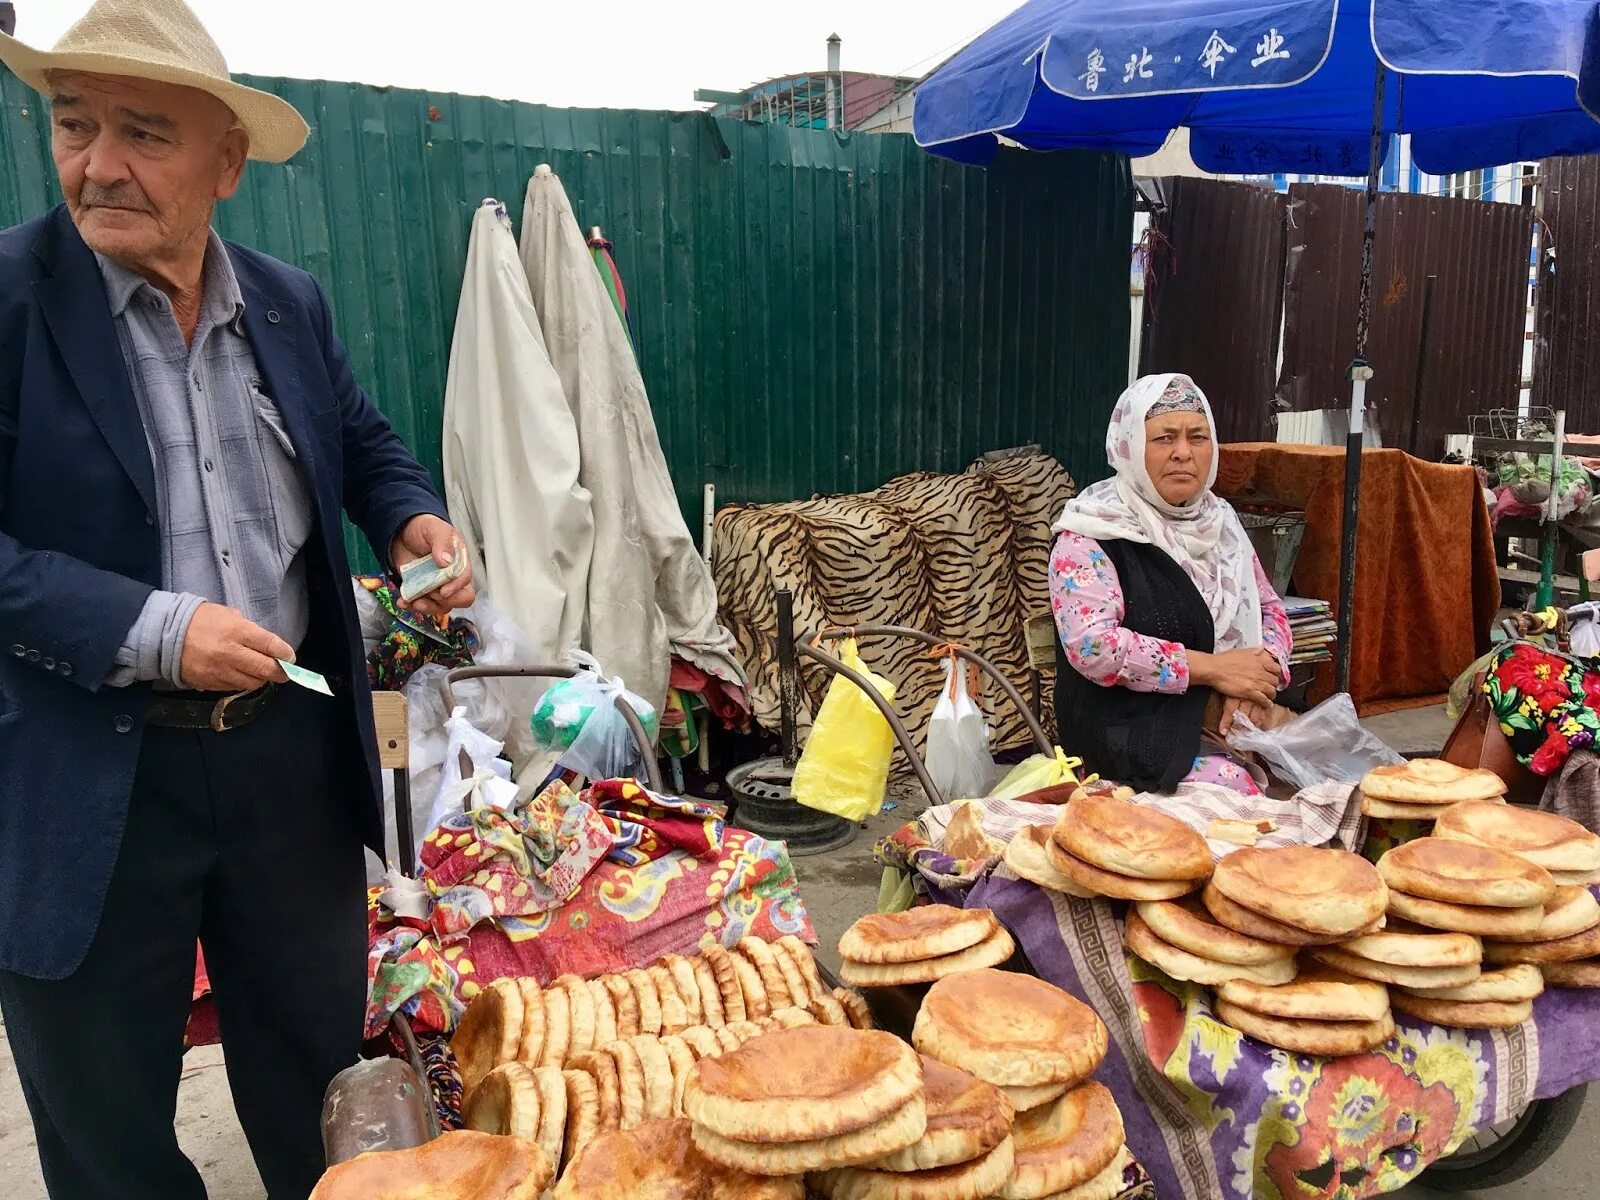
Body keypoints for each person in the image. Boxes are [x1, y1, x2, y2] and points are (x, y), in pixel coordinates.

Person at [0, 2, 476, 1196]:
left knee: (313, 1072)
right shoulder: (6, 302)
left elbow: (360, 442)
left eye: (144, 133)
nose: (98, 163)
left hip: (285, 768)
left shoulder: (285, 301)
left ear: (227, 163)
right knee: (104, 1125)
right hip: (86, 773)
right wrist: (155, 631)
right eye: (73, 125)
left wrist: (410, 512)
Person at [1050, 373, 1292, 795]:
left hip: (1230, 712)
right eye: (1164, 439)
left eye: (1197, 437)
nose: (1183, 452)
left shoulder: (1222, 524)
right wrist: (1215, 670)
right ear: (1130, 447)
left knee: (1338, 772)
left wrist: (1258, 678)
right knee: (1237, 791)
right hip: (1129, 724)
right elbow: (1093, 646)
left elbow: (1271, 609)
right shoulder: (1092, 531)